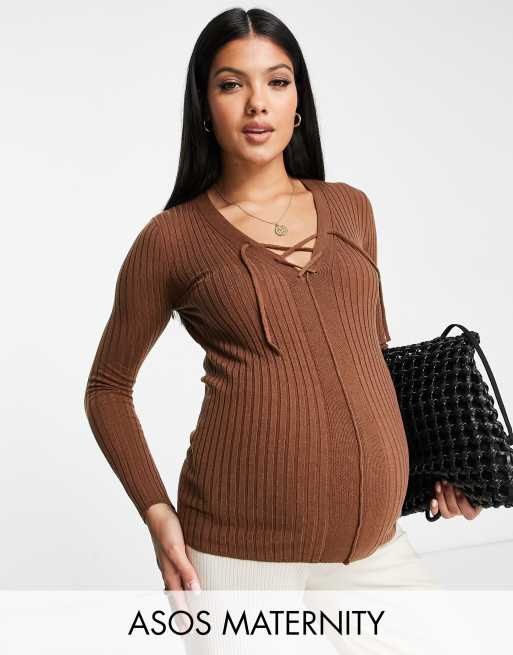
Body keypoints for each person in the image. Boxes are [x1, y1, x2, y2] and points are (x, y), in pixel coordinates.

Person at [84, 5, 481, 623]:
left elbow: (370, 358)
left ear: (298, 102)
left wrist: (436, 467)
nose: (257, 104)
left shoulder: (351, 209)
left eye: (277, 81)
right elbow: (108, 388)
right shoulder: (171, 239)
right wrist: (158, 515)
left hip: (373, 549)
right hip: (236, 556)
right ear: (204, 107)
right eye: (231, 84)